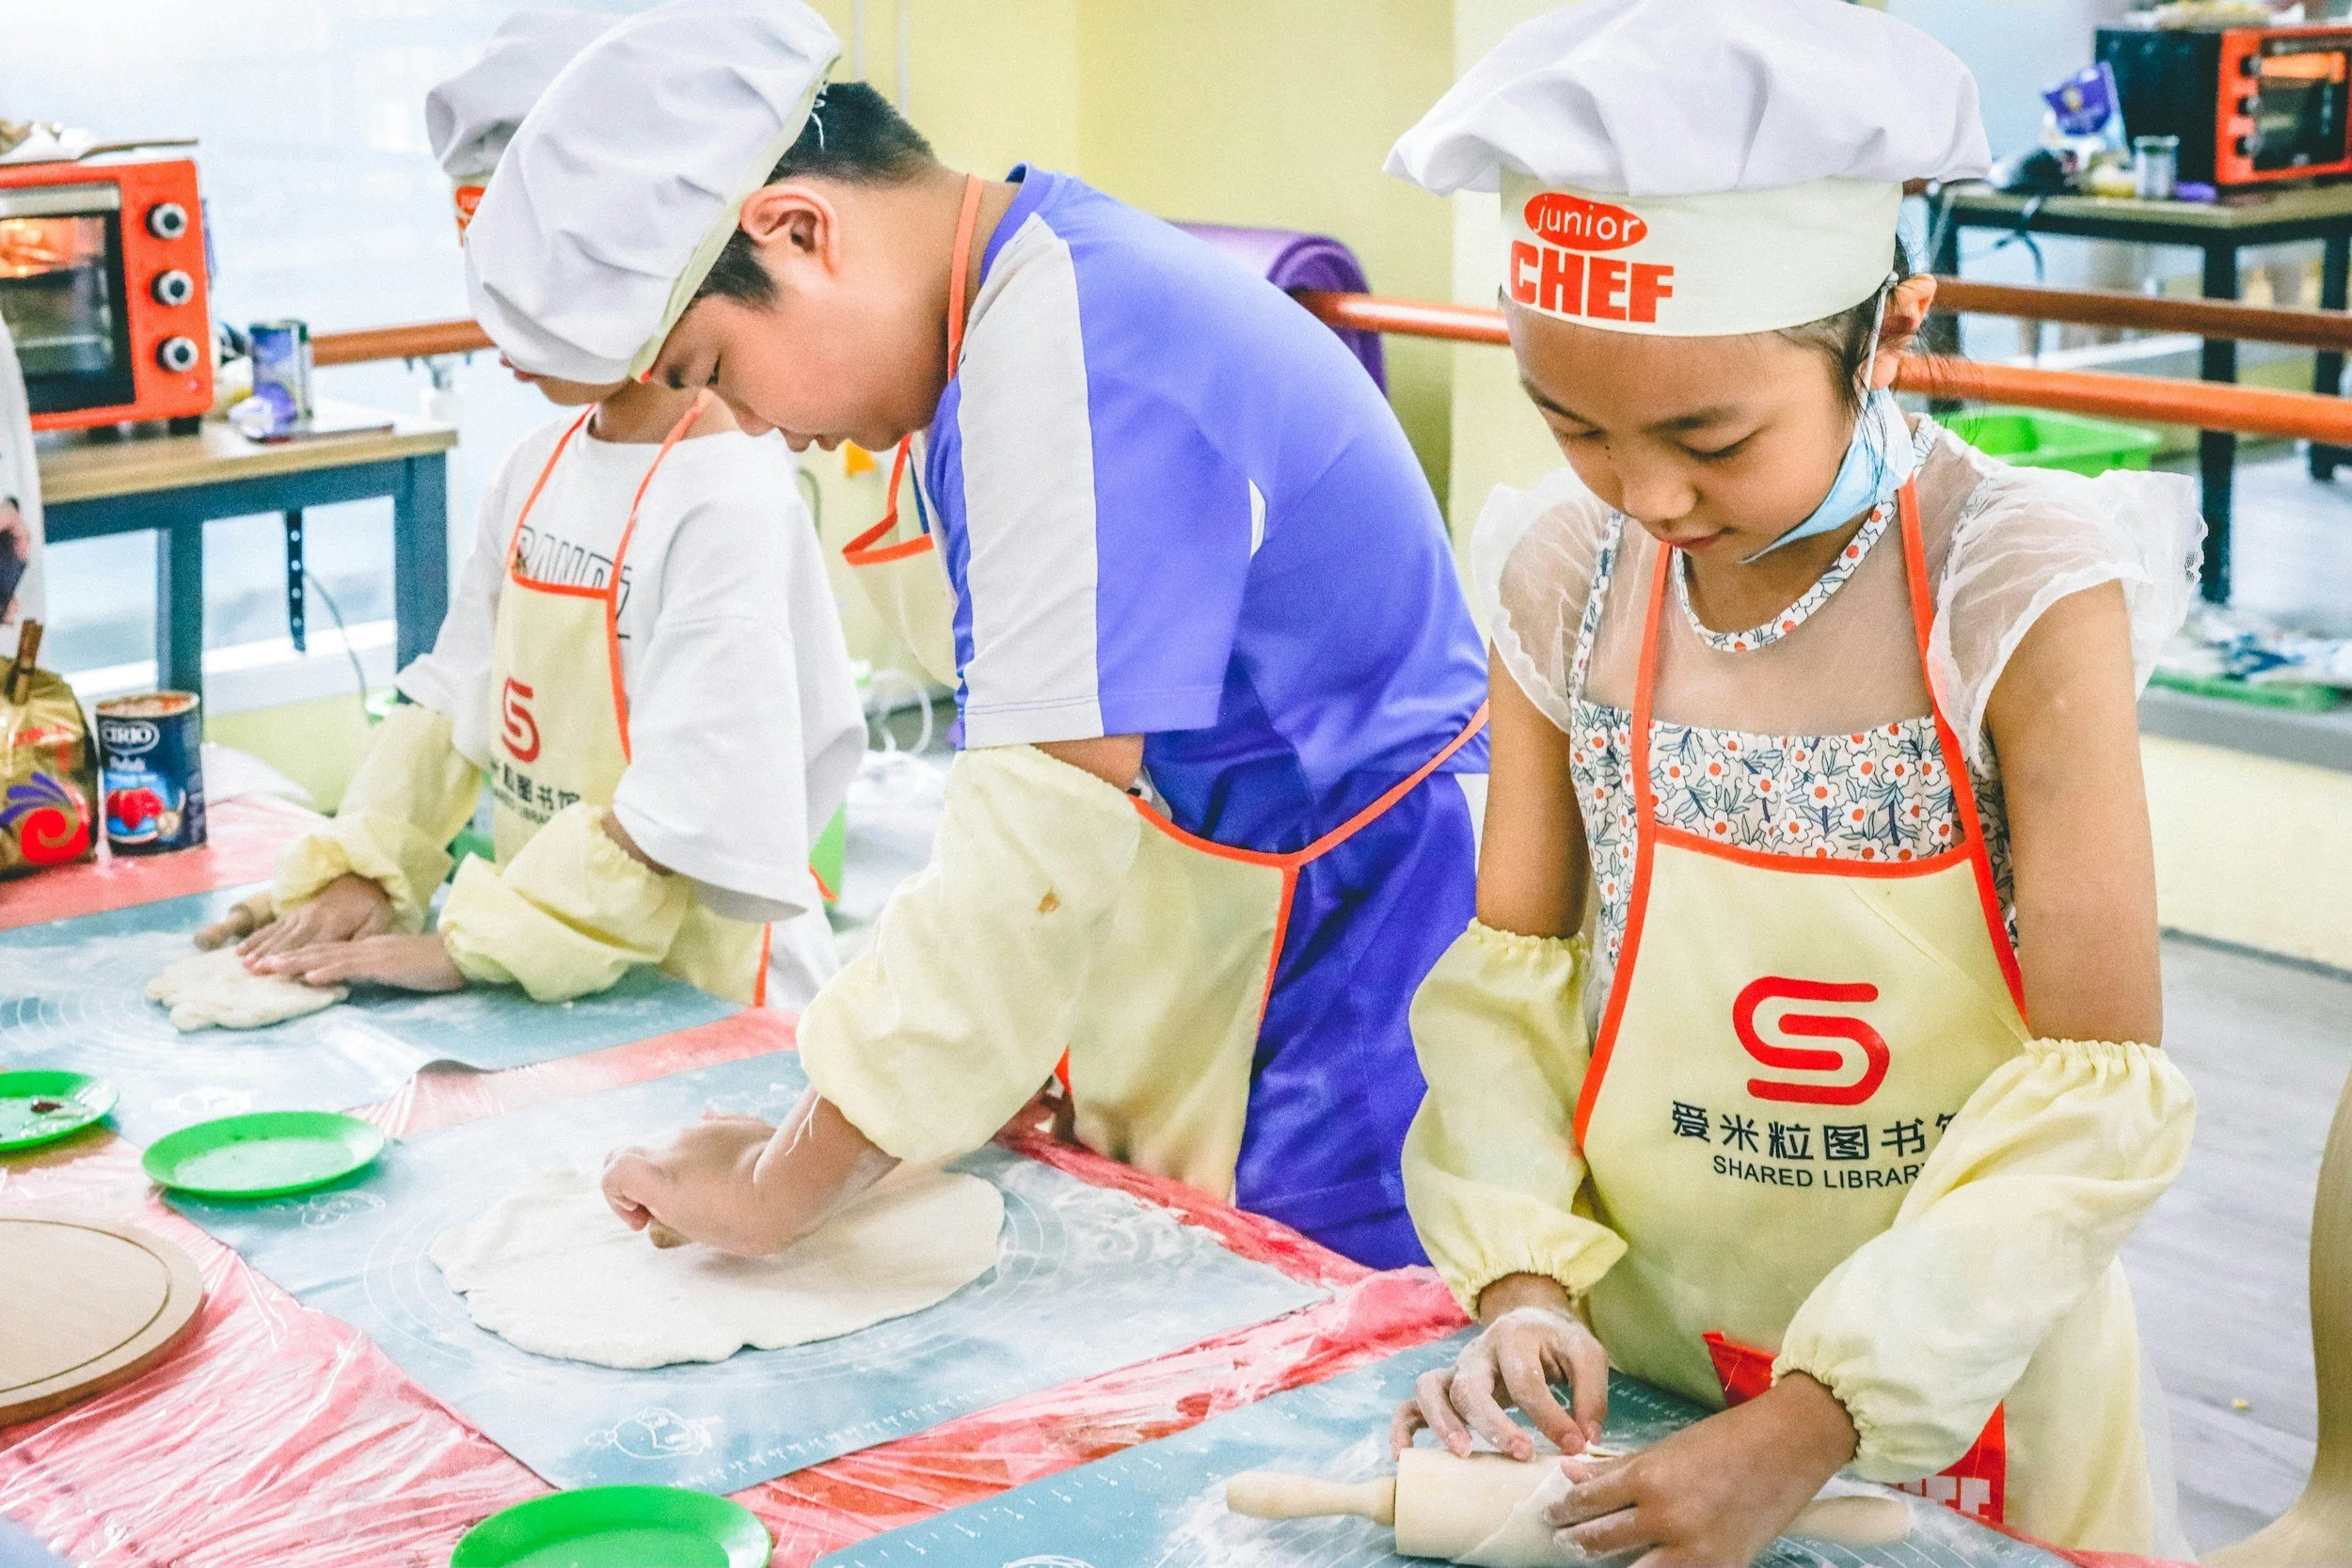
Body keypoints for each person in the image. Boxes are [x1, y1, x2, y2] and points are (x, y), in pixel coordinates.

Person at [460, 0, 1487, 1266]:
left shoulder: (1082, 353)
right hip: (1219, 901)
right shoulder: (1018, 309)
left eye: (716, 368)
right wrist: (963, 1071)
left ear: (794, 231)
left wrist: (789, 1180)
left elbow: (1037, 827)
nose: (756, 423)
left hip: (1357, 941)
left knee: (1317, 1339)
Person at [1383, 1, 2201, 1560]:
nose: (1648, 494)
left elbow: (2099, 1085)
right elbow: (1514, 988)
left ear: (1890, 330)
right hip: (1648, 1348)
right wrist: (1523, 1283)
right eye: (1576, 426)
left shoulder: (2011, 588)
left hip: (1964, 1370)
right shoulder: (1564, 575)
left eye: (1711, 434)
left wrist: (1828, 1411)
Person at [225, 12, 865, 1011]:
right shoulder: (539, 462)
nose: (498, 318)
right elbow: (456, 692)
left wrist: (482, 941)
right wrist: (366, 864)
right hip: (560, 975)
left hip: (710, 998)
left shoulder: (728, 495)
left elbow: (693, 802)